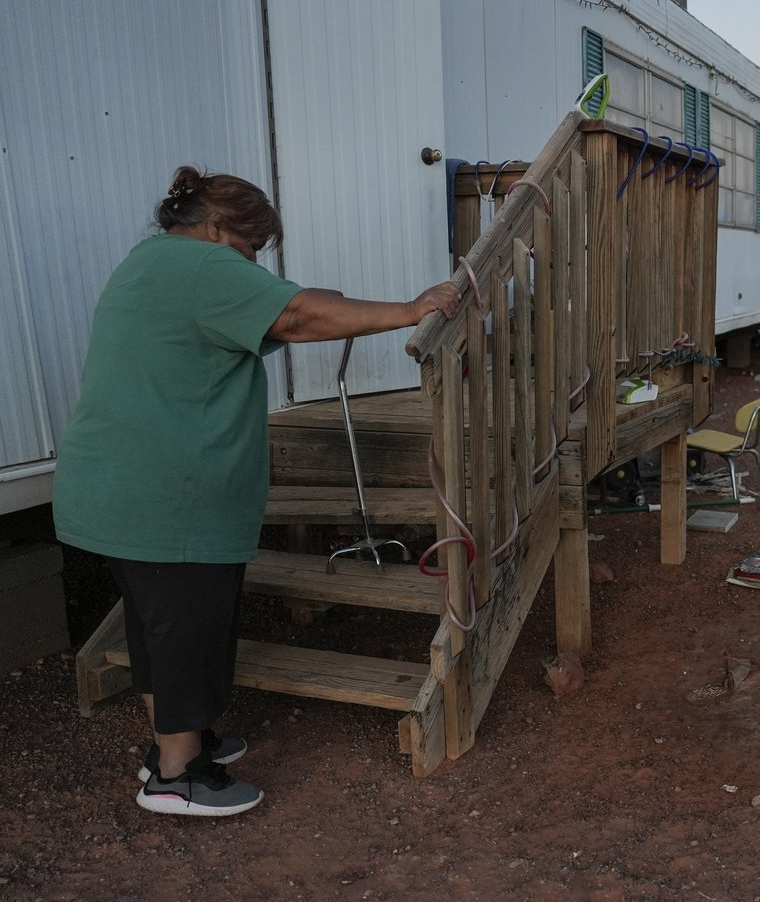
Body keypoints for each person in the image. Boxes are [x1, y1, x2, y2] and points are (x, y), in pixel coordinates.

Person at [52, 166, 461, 817]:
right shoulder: (202, 268)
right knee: (184, 625)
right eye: (250, 250)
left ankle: (175, 746)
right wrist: (411, 310)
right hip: (164, 497)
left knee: (160, 627)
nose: (254, 268)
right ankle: (178, 775)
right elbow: (296, 312)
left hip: (113, 489)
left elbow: (286, 309)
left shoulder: (150, 264)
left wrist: (315, 305)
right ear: (217, 228)